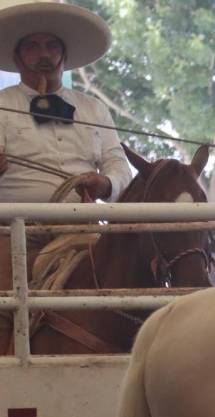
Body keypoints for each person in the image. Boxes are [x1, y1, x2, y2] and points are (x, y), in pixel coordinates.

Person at [0, 0, 132, 351]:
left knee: (128, 286)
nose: (43, 54)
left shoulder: (93, 107)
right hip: (14, 231)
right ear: (17, 58)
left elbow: (119, 166)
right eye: (32, 46)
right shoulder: (2, 106)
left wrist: (104, 183)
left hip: (82, 229)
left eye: (51, 45)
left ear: (63, 54)